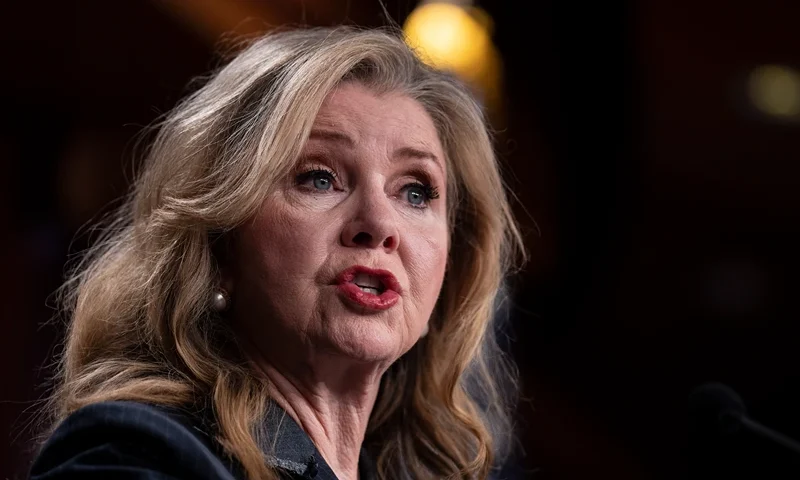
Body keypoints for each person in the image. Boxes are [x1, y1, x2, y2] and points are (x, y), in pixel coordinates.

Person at [28, 26, 525, 480]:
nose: (378, 225)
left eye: (415, 191)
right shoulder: (140, 455)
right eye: (319, 178)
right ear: (218, 246)